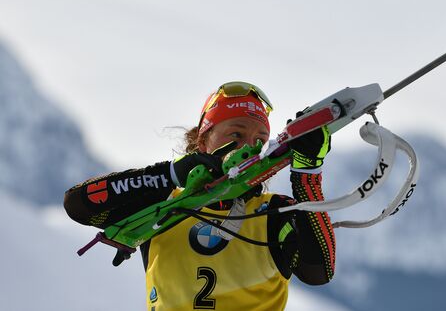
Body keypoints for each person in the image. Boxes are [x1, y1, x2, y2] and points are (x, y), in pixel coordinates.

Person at [64, 81, 335, 311]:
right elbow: (79, 204)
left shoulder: (274, 211)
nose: (248, 148)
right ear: (203, 141)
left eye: (259, 141)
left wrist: (307, 175)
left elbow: (318, 271)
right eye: (236, 134)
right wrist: (171, 173)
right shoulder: (166, 202)